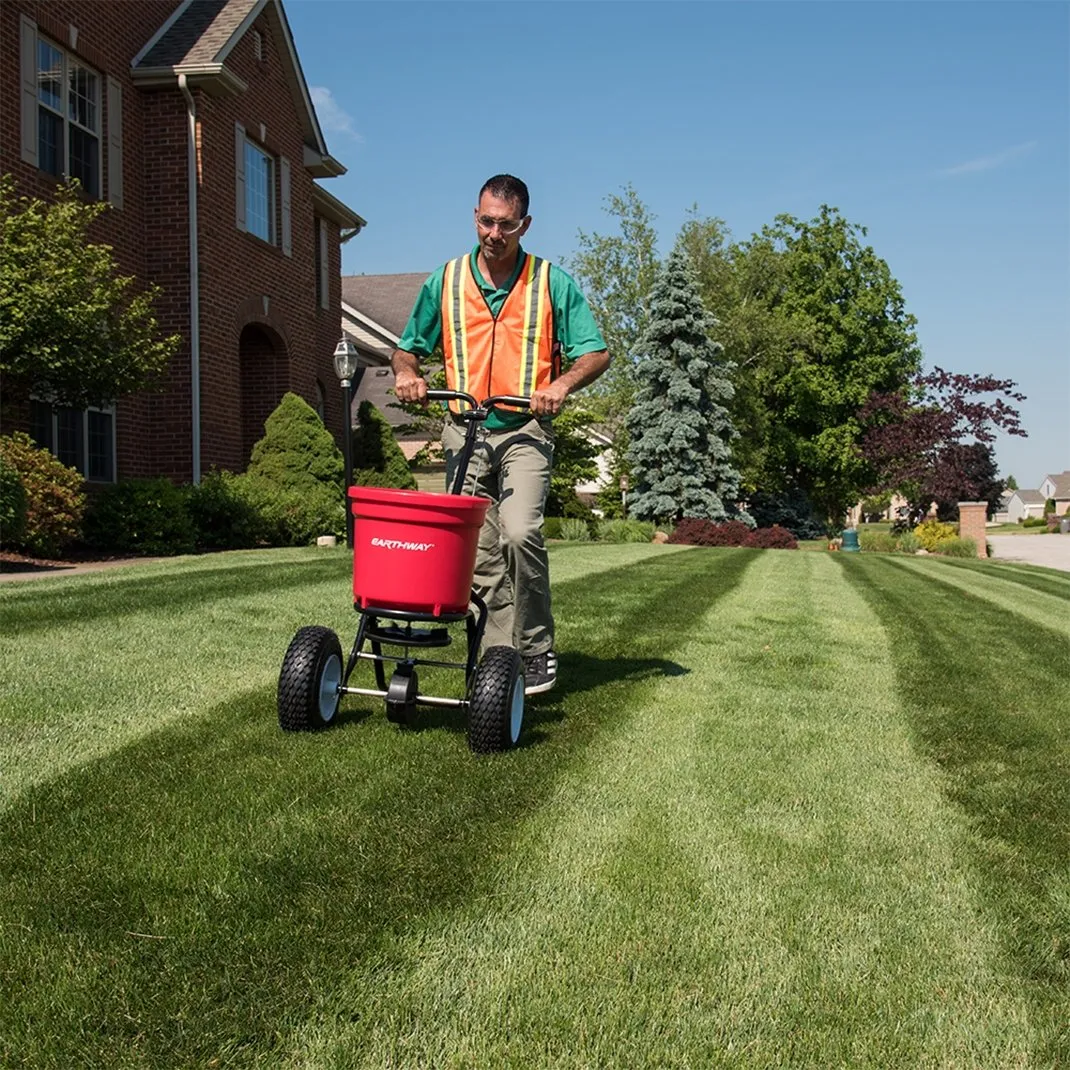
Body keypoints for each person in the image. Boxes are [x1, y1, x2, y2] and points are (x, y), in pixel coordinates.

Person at [391, 174, 610, 695]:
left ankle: (535, 648)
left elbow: (596, 352)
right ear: (475, 217)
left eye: (506, 225)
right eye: (486, 221)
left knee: (518, 532)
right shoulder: (445, 281)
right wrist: (406, 373)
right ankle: (498, 658)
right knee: (480, 550)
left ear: (524, 225)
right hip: (463, 430)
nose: (494, 233)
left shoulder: (550, 282)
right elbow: (406, 346)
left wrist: (560, 385)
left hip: (525, 429)